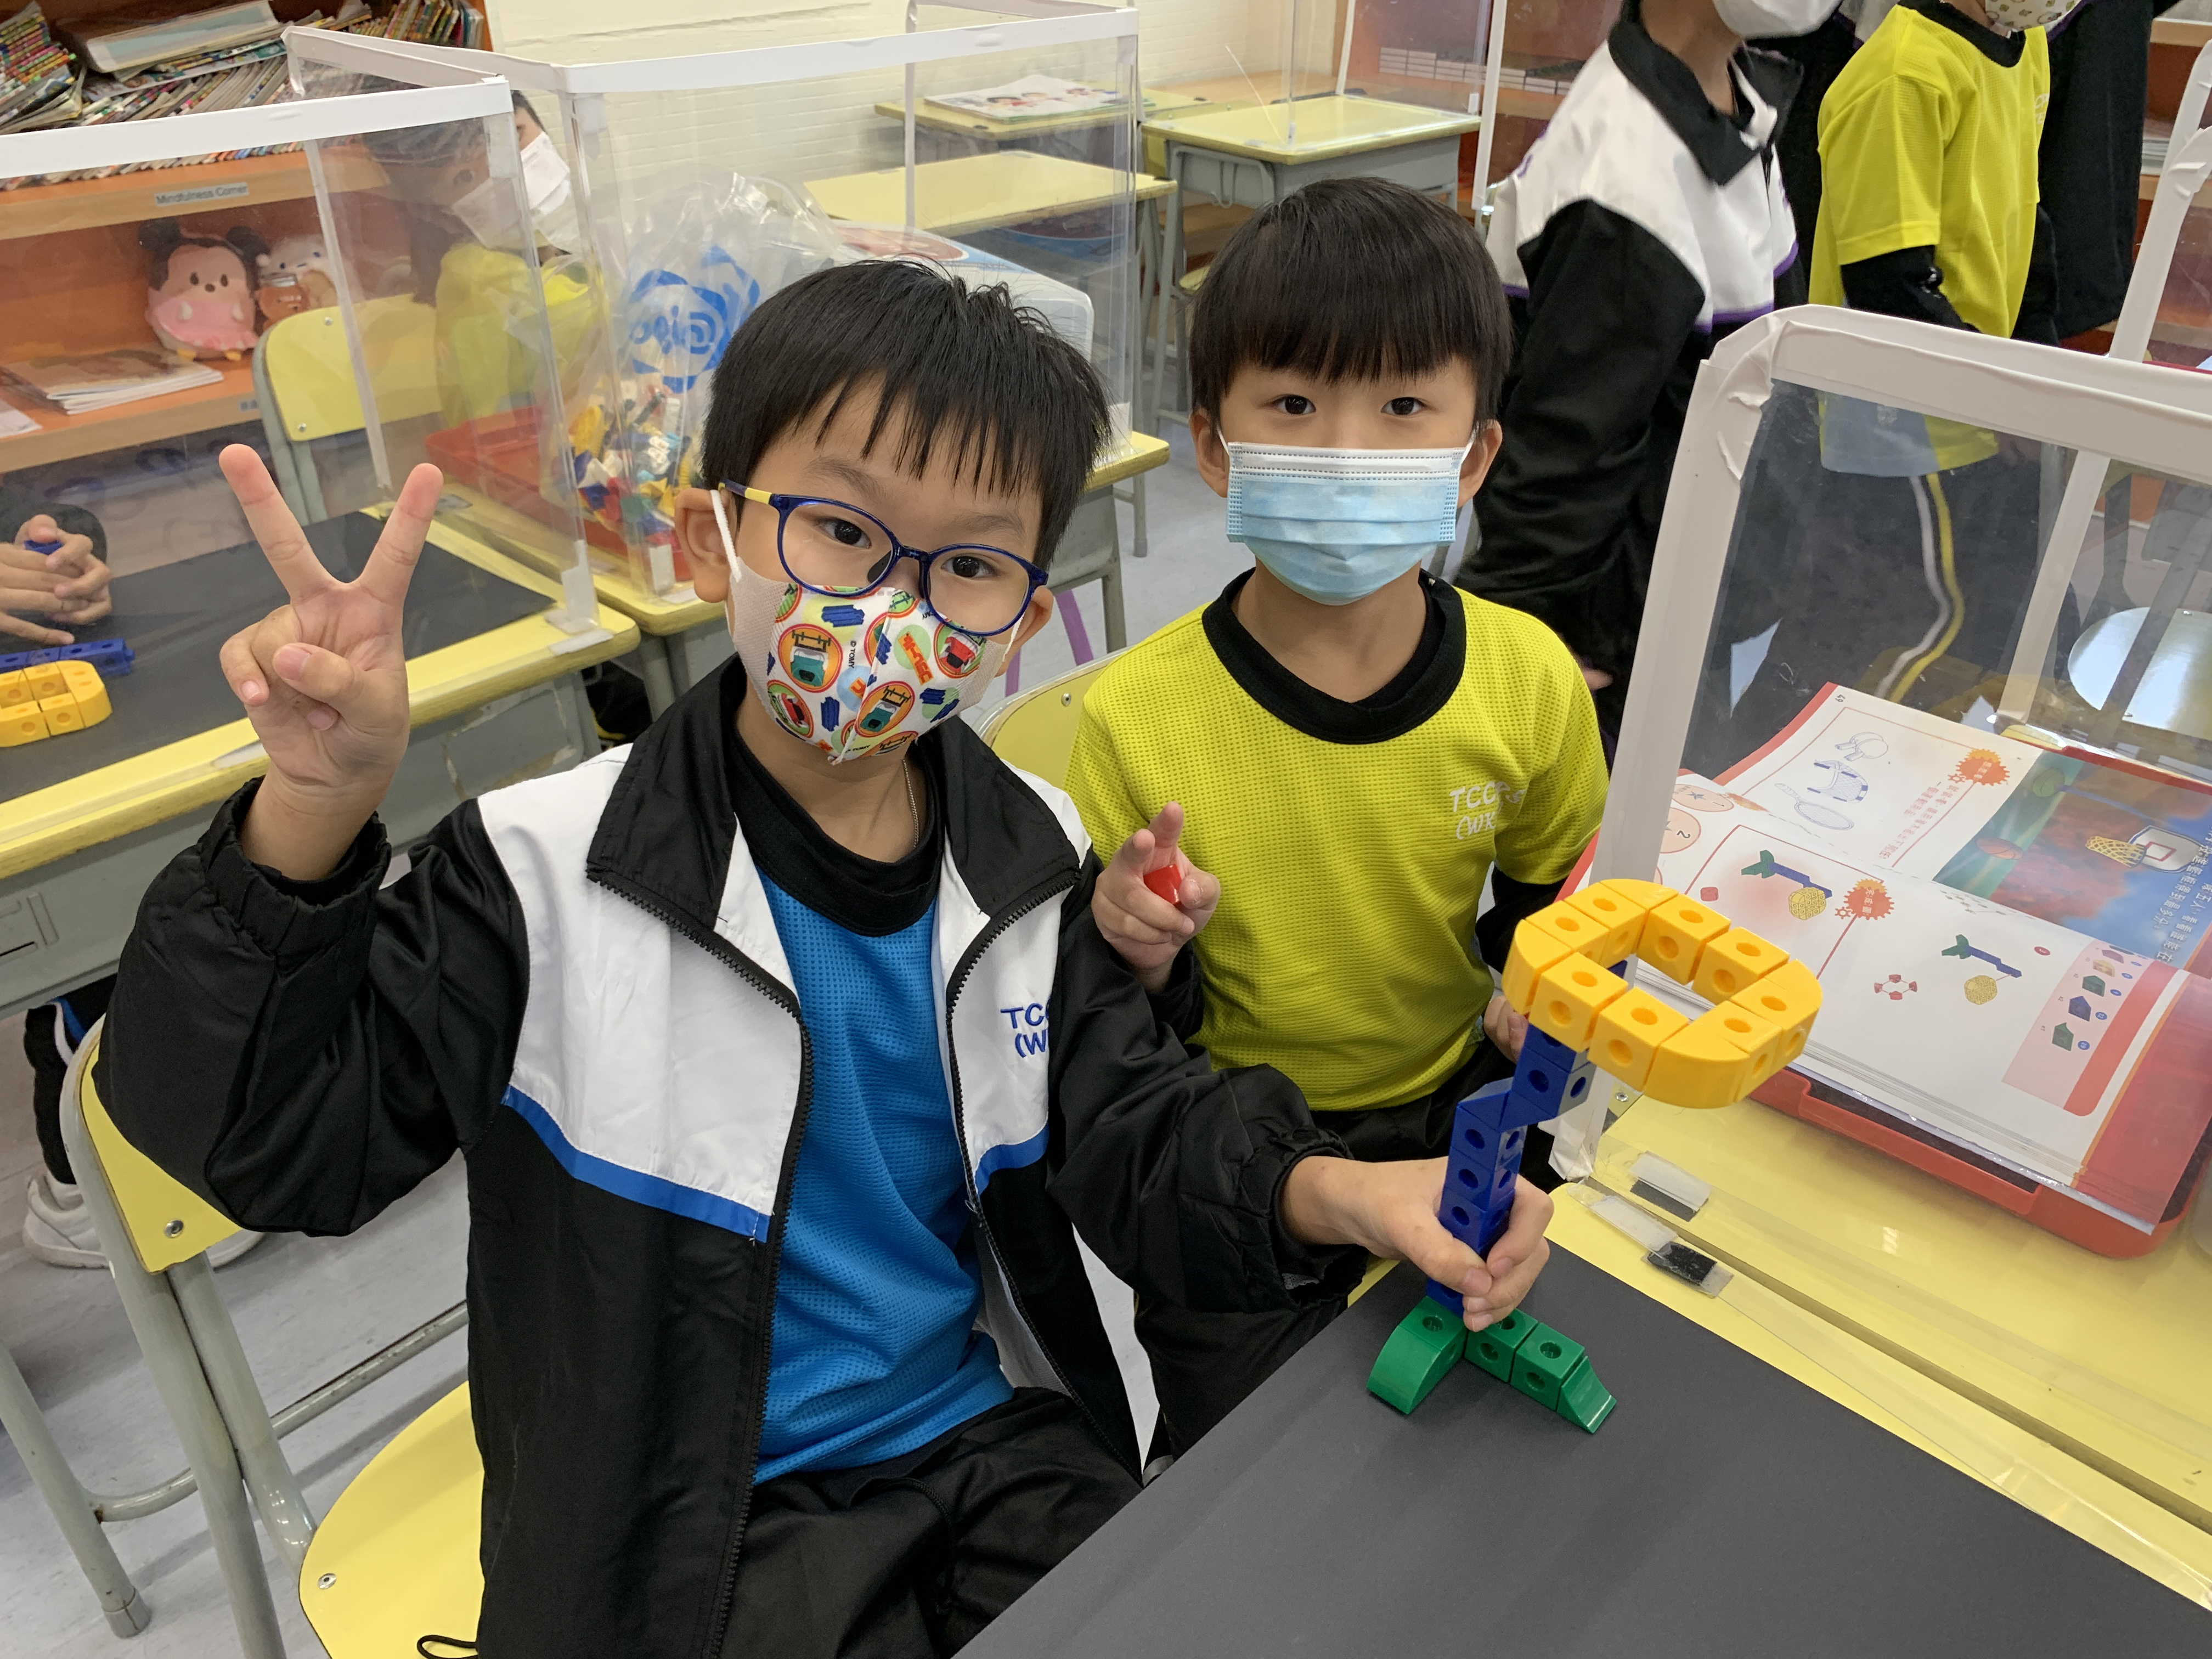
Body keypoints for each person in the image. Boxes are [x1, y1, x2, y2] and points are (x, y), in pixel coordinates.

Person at [100, 261, 1511, 1657]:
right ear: (712, 539)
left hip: (983, 1448)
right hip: (683, 1519)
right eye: (841, 529)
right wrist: (312, 812)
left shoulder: (1031, 861)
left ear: (1021, 621)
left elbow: (1138, 1130)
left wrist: (1343, 1188)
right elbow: (267, 1145)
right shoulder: (540, 874)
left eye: (969, 565)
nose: (896, 604)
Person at [1063, 180, 1582, 1461]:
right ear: (1215, 445)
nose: (1348, 452)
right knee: (1245, 1474)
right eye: (1294, 405)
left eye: (1403, 407)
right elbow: (1117, 1036)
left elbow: (1555, 904)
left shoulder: (1528, 680)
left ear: (1474, 457)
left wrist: (1545, 990)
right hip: (1236, 1145)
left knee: (1473, 1445)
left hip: (1462, 1114)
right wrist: (1139, 942)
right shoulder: (1134, 717)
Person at [1458, 0, 1841, 739]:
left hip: (1694, 597)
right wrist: (1524, 649)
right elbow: (1564, 456)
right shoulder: (1624, 179)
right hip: (1619, 640)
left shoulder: (1733, 105)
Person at [1707, 0, 2069, 760]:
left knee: (1961, 628)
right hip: (1904, 425)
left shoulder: (2023, 50)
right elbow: (1889, 284)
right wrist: (1999, 401)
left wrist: (2037, 381)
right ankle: (1760, 775)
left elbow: (2028, 226)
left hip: (1982, 402)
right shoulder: (1902, 76)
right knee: (1897, 629)